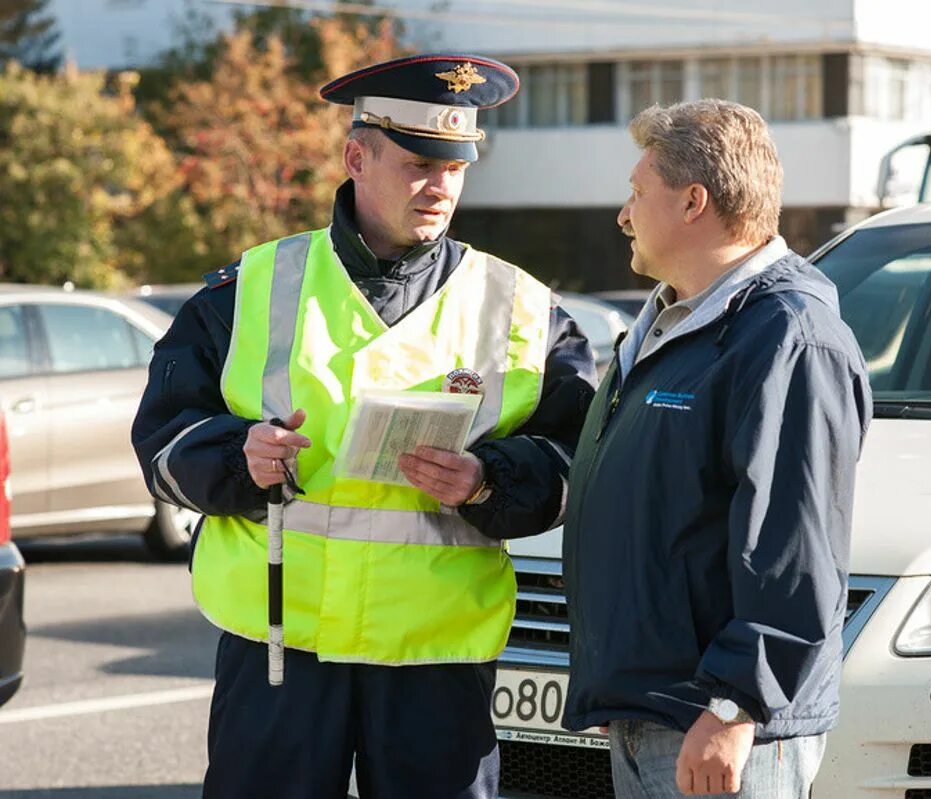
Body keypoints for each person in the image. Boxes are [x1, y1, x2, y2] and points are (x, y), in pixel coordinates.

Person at [131, 53, 596, 799]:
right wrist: (234, 456)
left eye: (455, 166)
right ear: (357, 157)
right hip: (280, 648)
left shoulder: (524, 309)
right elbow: (161, 442)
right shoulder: (247, 289)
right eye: (418, 164)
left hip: (435, 654)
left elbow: (580, 462)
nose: (440, 185)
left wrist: (489, 481)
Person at [561, 99, 872, 798]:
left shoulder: (789, 337)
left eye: (638, 193)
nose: (623, 213)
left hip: (723, 725)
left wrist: (735, 704)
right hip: (659, 713)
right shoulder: (673, 322)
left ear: (693, 201)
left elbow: (797, 547)